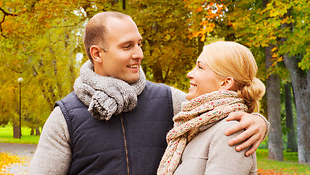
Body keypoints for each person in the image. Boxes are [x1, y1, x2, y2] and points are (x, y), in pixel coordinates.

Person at [29, 12, 268, 175]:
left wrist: (258, 121)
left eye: (139, 44)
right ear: (97, 54)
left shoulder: (169, 101)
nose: (139, 54)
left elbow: (215, 111)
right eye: (127, 46)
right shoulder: (66, 117)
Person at [157, 41, 265, 175]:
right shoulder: (196, 127)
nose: (190, 74)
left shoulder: (231, 132)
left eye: (200, 67)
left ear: (225, 83)